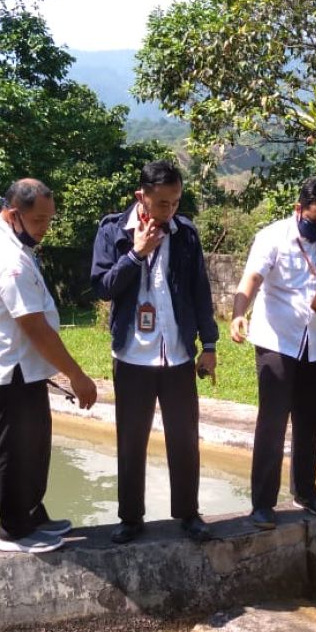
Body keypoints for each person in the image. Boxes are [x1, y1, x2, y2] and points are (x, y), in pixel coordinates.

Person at [0, 178, 99, 554]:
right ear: (13, 214)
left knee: (35, 442)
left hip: (22, 364)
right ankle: (14, 529)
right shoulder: (7, 258)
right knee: (14, 446)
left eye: (49, 220)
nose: (45, 229)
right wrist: (77, 375)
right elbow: (34, 327)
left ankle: (33, 514)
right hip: (11, 366)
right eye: (39, 221)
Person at [90, 159, 219, 543]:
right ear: (141, 196)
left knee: (184, 438)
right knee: (131, 440)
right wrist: (136, 254)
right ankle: (131, 517)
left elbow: (200, 292)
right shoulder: (113, 231)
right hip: (132, 357)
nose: (170, 211)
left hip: (177, 354)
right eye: (162, 203)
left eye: (176, 202)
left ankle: (188, 513)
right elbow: (102, 286)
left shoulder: (186, 234)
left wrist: (208, 345)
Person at [230, 176, 316, 530]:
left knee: (309, 422)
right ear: (298, 209)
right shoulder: (272, 237)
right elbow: (251, 279)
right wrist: (239, 312)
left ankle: (306, 492)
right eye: (313, 221)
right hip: (277, 343)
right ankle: (263, 504)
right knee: (272, 423)